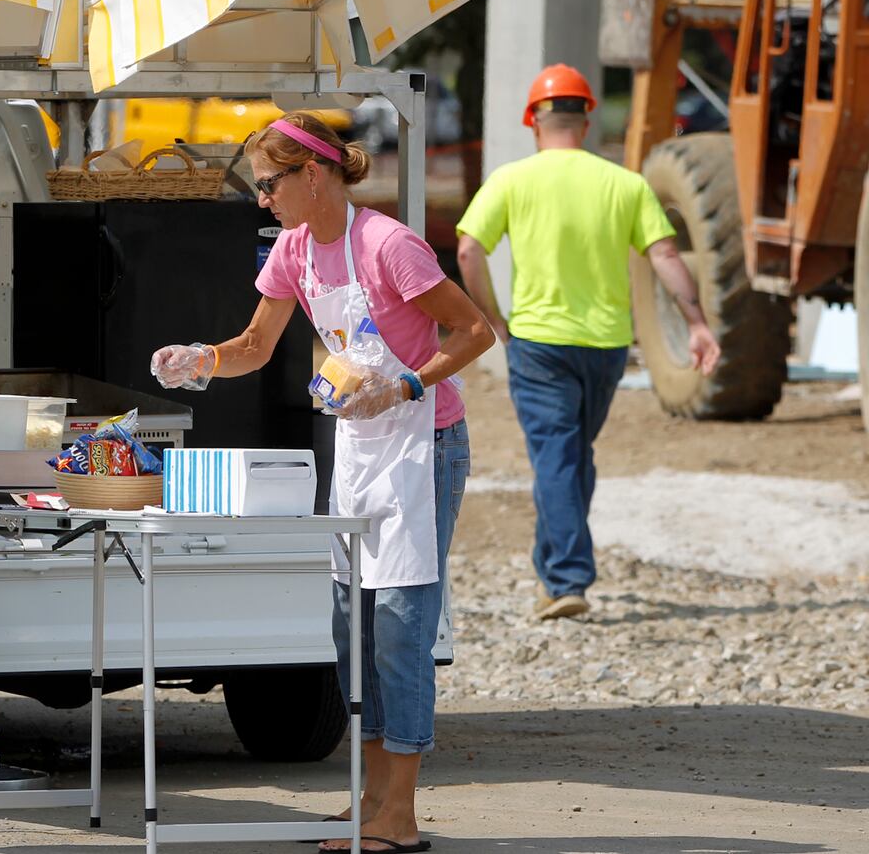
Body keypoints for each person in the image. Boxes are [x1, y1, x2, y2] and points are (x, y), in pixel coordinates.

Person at [152, 112, 494, 854]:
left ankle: (398, 814)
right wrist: (199, 360)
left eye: (270, 183)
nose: (262, 199)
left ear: (315, 173)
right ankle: (369, 798)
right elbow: (255, 344)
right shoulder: (295, 250)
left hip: (423, 443)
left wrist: (404, 388)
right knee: (352, 625)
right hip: (361, 444)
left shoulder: (389, 245)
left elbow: (473, 332)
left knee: (401, 623)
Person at [455, 64, 720, 622]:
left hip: (539, 342)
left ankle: (568, 577)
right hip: (605, 347)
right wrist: (696, 322)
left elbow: (468, 251)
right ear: (586, 118)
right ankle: (553, 570)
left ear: (533, 120)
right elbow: (667, 256)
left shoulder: (511, 179)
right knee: (573, 455)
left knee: (558, 455)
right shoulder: (625, 184)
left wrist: (492, 319)